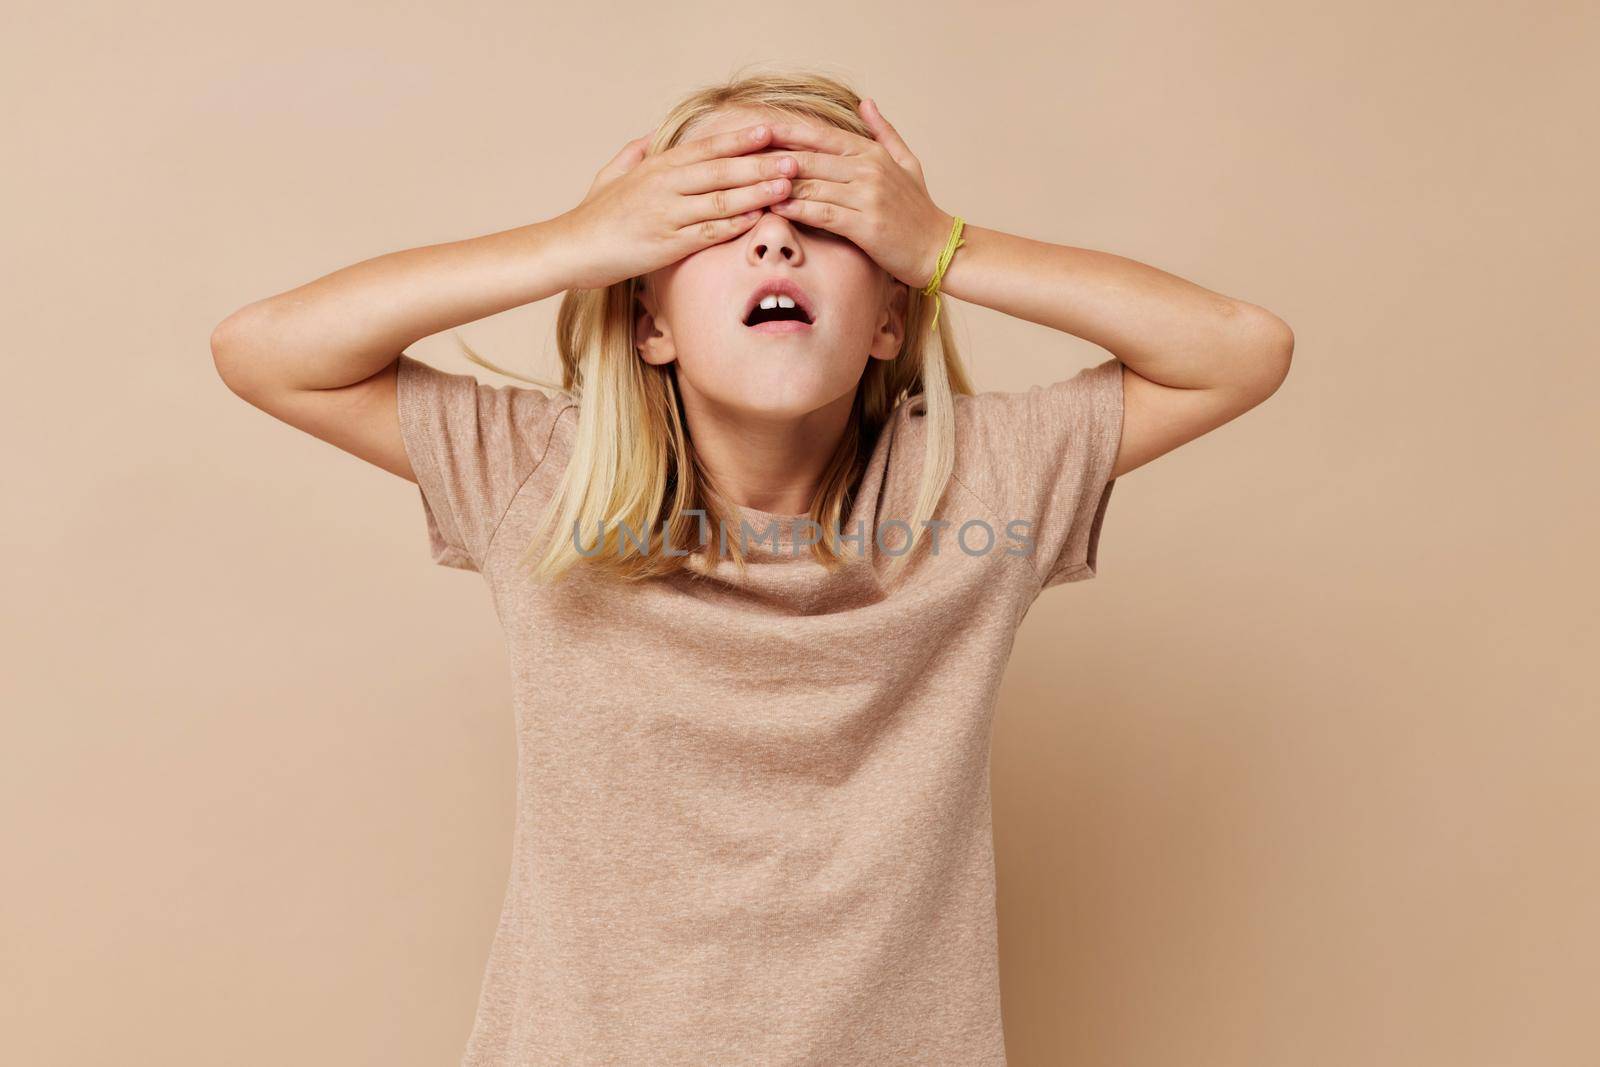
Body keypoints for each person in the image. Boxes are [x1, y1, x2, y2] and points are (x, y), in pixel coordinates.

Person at [211, 69, 1293, 1067]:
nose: (774, 245)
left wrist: (943, 240)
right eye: (720, 222)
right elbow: (265, 349)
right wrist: (571, 242)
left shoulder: (980, 488)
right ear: (649, 324)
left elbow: (1239, 350)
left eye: (826, 222)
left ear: (887, 318)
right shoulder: (540, 483)